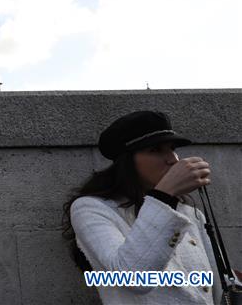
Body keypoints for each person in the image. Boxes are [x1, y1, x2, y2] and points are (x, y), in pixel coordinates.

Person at [64, 110, 220, 304]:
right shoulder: (91, 208)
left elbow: (216, 281)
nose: (173, 159)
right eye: (156, 150)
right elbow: (133, 278)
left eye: (172, 148)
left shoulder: (188, 211)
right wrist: (164, 196)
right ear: (127, 161)